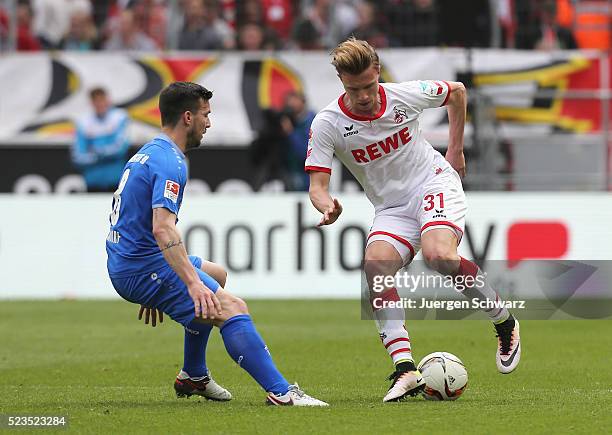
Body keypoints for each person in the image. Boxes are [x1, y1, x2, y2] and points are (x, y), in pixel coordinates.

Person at [305, 38, 521, 403]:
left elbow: (457, 92)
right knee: (375, 267)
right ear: (342, 82)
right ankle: (405, 369)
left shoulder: (405, 95)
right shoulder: (328, 123)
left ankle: (504, 321)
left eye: (369, 86)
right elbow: (317, 185)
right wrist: (326, 205)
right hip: (391, 208)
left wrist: (454, 149)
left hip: (433, 182)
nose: (363, 96)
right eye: (353, 89)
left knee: (440, 256)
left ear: (378, 73)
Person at [105, 81, 327, 407]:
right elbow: (164, 230)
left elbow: (132, 219)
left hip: (132, 261)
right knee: (232, 307)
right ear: (187, 117)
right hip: (141, 266)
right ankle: (281, 392)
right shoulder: (172, 163)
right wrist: (188, 283)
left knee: (218, 276)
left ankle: (193, 375)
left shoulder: (150, 151)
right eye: (205, 115)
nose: (208, 123)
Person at [72, 87, 130, 192]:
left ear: (108, 100)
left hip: (116, 181)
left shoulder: (119, 118)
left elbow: (120, 149)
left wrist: (95, 152)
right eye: (96, 101)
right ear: (91, 103)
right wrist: (105, 154)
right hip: (92, 182)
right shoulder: (83, 123)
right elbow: (77, 157)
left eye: (102, 100)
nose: (99, 104)